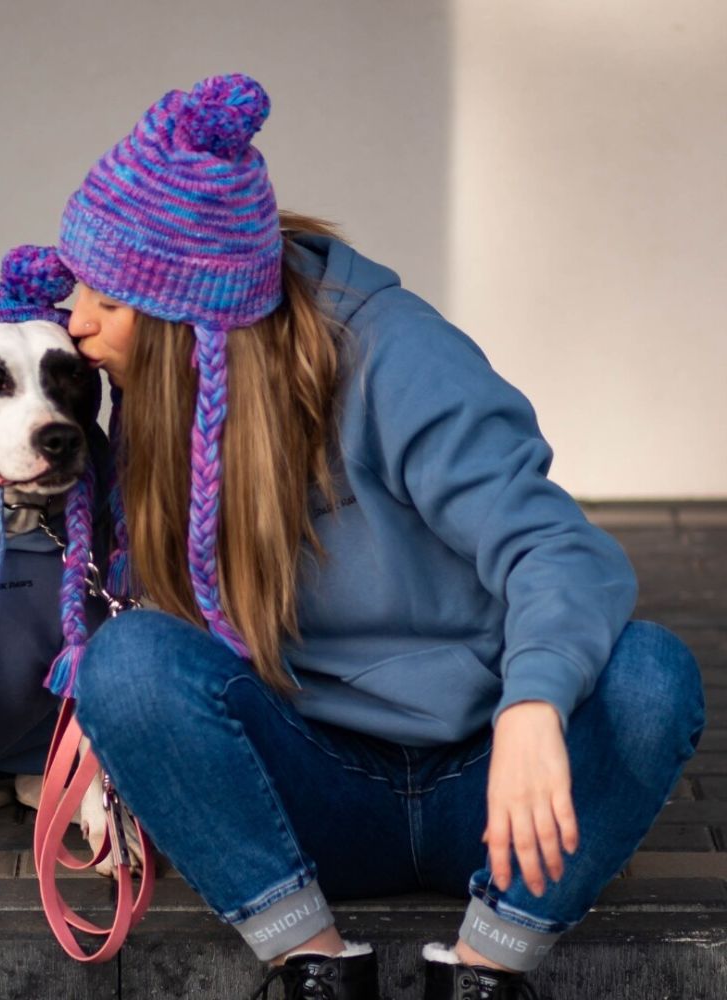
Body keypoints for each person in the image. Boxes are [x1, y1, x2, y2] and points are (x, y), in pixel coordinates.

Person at [53, 73, 705, 1000]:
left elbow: (560, 552)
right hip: (312, 797)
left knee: (650, 676)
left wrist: (534, 705)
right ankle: (311, 965)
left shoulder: (395, 354)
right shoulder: (154, 393)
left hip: (499, 800)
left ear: (188, 323)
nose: (76, 319)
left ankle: (486, 970)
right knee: (125, 664)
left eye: (107, 302)